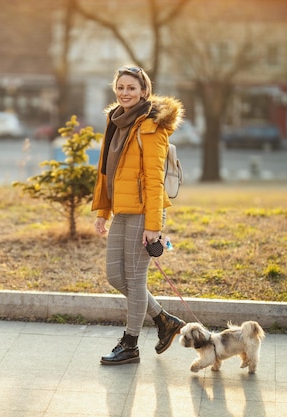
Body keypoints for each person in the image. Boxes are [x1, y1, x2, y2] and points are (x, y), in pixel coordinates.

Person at [92, 65, 186, 365]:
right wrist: (103, 212)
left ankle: (130, 344)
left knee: (134, 278)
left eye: (131, 88)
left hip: (145, 214)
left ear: (144, 91)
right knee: (115, 276)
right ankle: (164, 321)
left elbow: (155, 180)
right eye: (120, 87)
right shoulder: (115, 121)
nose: (125, 93)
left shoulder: (152, 126)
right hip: (122, 211)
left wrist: (153, 226)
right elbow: (106, 171)